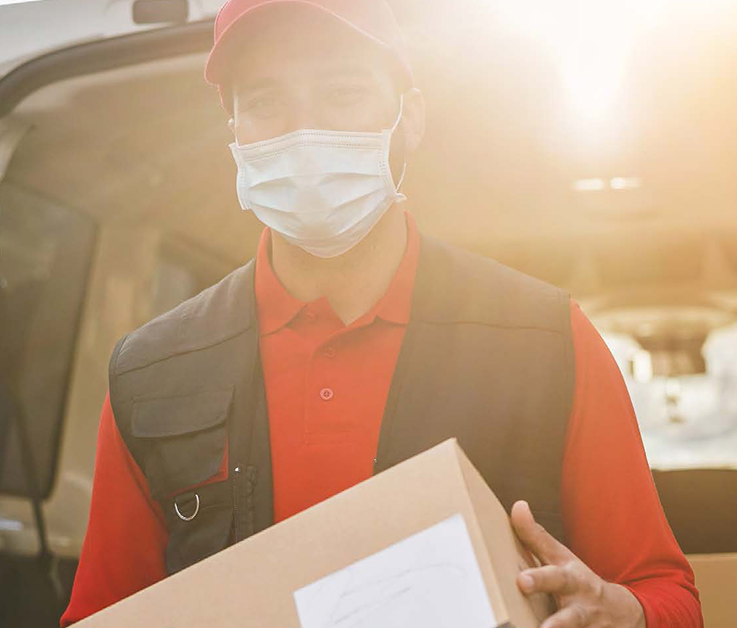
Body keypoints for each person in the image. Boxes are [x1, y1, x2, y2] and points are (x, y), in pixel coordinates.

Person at [61, 1, 701, 626]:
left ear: (409, 117)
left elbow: (668, 595)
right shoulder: (154, 374)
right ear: (234, 134)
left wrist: (624, 613)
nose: (303, 133)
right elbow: (100, 614)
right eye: (265, 101)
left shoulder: (544, 340)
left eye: (342, 94)